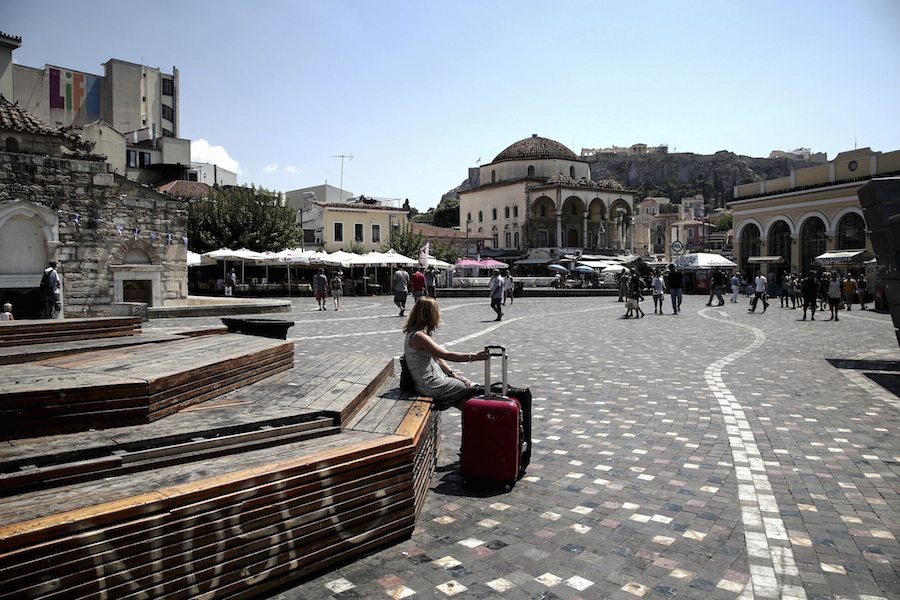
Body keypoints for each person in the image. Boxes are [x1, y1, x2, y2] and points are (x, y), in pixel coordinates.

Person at [402, 297, 489, 410]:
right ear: (430, 315)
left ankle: (473, 420)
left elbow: (438, 358)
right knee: (470, 388)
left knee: (463, 395)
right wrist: (475, 357)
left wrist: (454, 374)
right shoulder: (419, 337)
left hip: (429, 381)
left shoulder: (416, 333)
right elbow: (446, 355)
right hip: (430, 385)